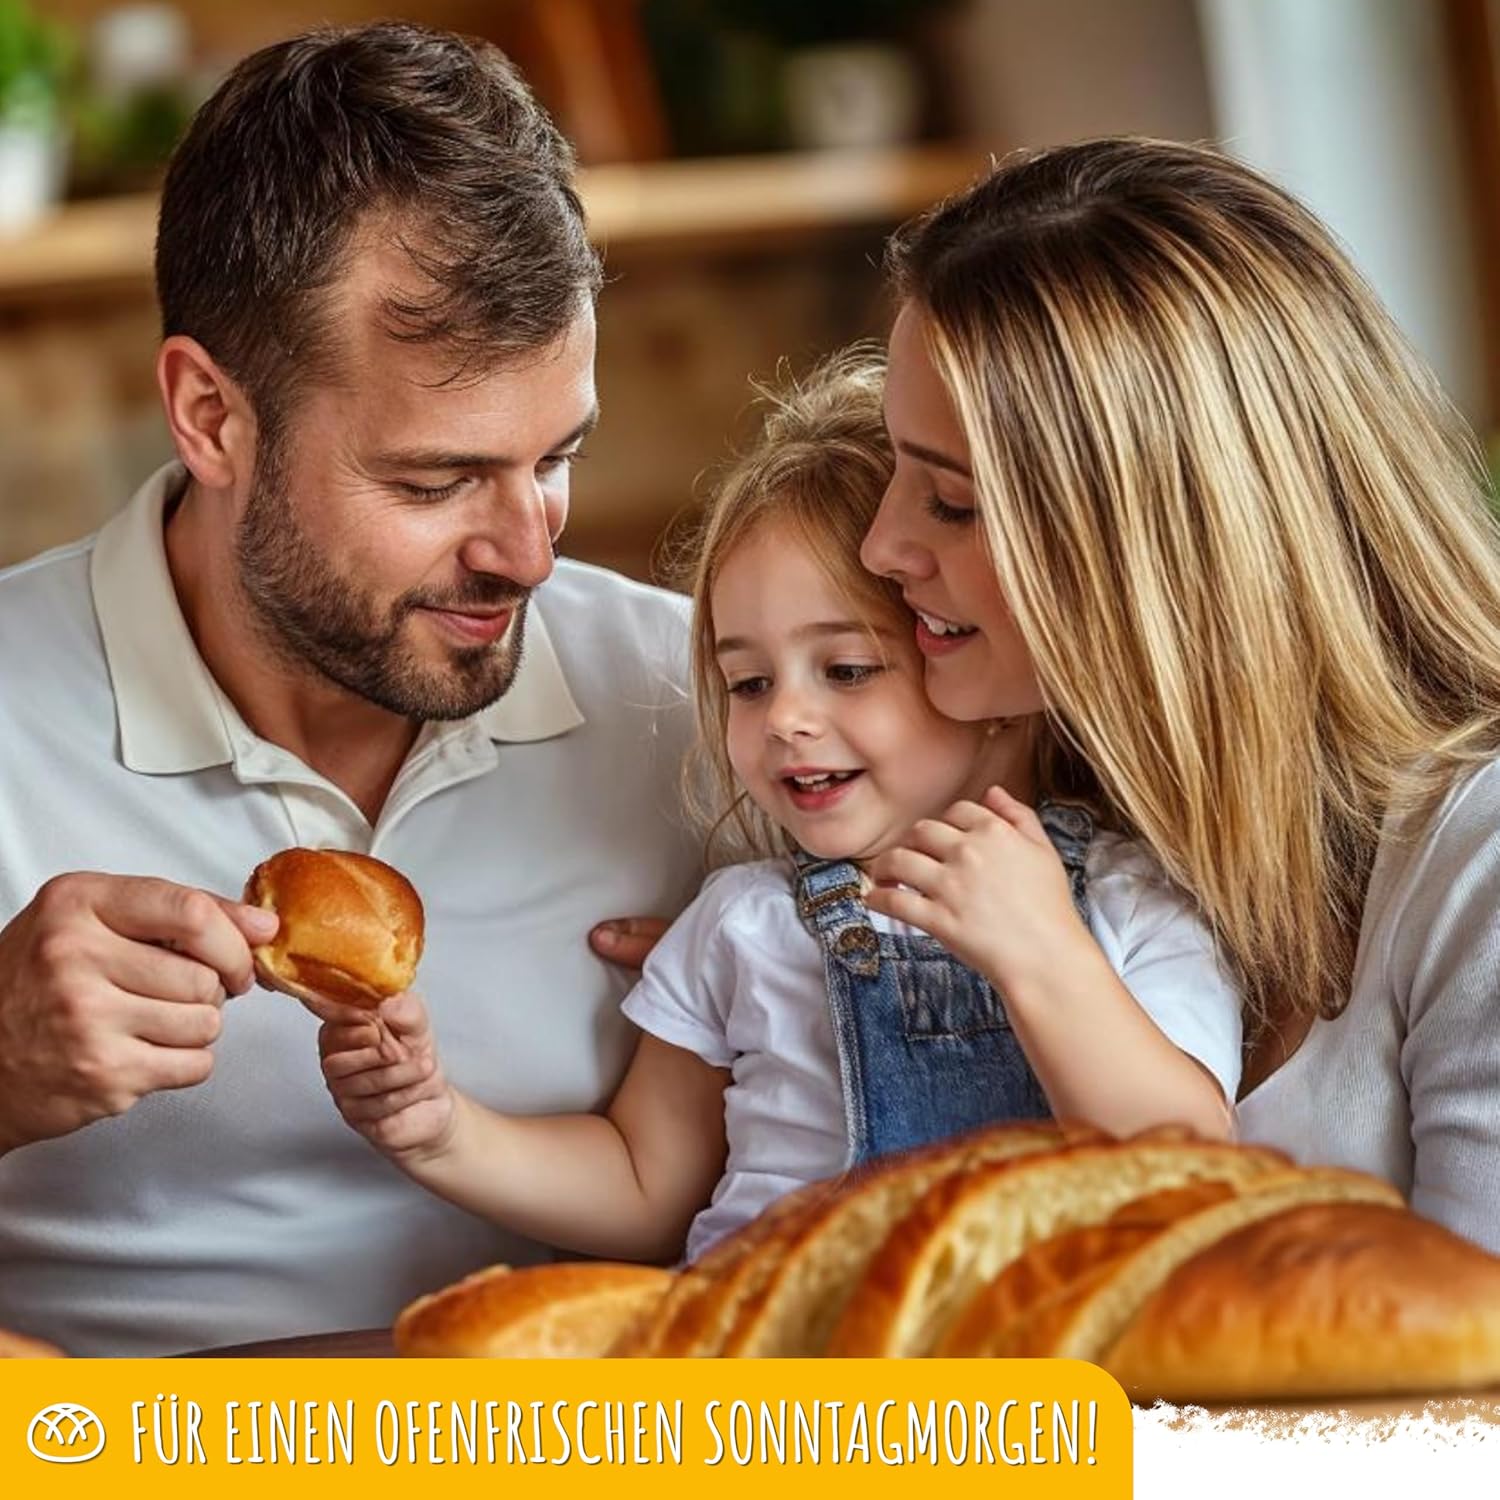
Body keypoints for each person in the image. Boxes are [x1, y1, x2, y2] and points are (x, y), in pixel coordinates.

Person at [0, 23, 703, 1356]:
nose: (529, 555)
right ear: (211, 416)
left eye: (556, 458)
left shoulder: (718, 708)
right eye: (436, 481)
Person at [307, 354, 1242, 1267]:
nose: (785, 718)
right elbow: (644, 1182)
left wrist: (1044, 954)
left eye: (847, 669)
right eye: (749, 683)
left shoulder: (1128, 903)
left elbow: (1190, 1175)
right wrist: (442, 1129)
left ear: (977, 659)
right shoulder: (743, 923)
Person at [858, 137, 1500, 1252]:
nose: (881, 546)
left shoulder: (1476, 864)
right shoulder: (1072, 813)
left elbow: (1470, 1358)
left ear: (1157, 542)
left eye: (951, 503)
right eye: (893, 476)